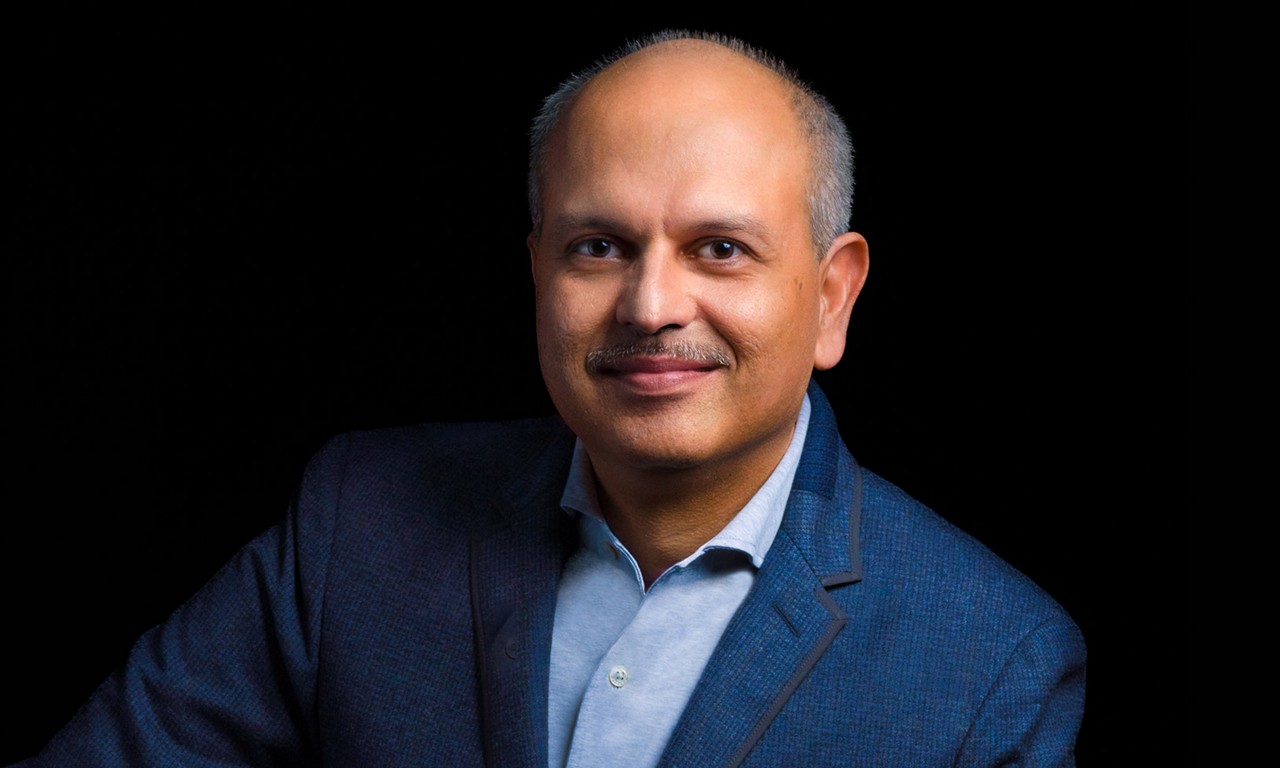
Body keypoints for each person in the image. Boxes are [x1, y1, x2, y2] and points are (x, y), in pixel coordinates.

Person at [10, 29, 1086, 767]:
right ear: (538, 275)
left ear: (832, 296)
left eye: (719, 248)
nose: (650, 305)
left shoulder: (989, 663)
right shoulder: (357, 521)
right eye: (598, 247)